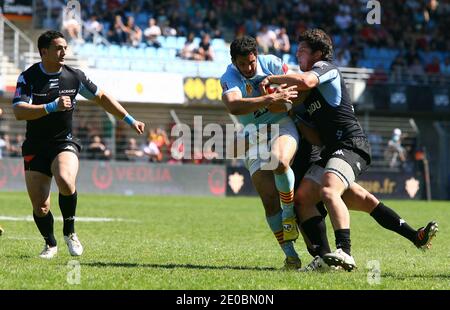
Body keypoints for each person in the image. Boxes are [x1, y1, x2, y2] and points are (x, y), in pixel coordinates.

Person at [262, 29, 438, 271]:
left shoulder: (327, 69)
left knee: (328, 189)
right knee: (312, 198)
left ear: (319, 53)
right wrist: (292, 113)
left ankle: (345, 251)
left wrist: (272, 79)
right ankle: (413, 237)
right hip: (333, 152)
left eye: (302, 50)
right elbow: (315, 137)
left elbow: (305, 80)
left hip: (352, 145)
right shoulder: (311, 91)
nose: (297, 53)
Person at [12, 30, 145, 259]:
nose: (64, 52)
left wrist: (130, 119)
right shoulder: (28, 77)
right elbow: (18, 111)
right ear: (44, 52)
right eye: (59, 48)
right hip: (35, 146)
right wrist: (51, 107)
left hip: (64, 142)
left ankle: (70, 232)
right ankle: (50, 244)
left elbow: (102, 97)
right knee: (40, 207)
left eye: (65, 47)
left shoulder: (75, 77)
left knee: (65, 178)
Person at [290, 110, 438, 271]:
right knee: (353, 199)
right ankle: (324, 258)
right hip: (310, 167)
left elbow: (317, 137)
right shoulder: (282, 108)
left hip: (316, 164)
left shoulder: (307, 101)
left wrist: (295, 116)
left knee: (362, 199)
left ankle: (414, 237)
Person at [220, 36, 301, 268]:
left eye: (251, 63)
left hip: (281, 124)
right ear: (234, 61)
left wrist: (282, 99)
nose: (247, 68)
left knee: (280, 161)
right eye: (241, 64)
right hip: (253, 135)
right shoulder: (228, 77)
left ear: (257, 55)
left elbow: (296, 85)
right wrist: (269, 98)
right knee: (267, 200)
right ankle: (291, 256)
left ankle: (288, 214)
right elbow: (234, 105)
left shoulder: (273, 64)